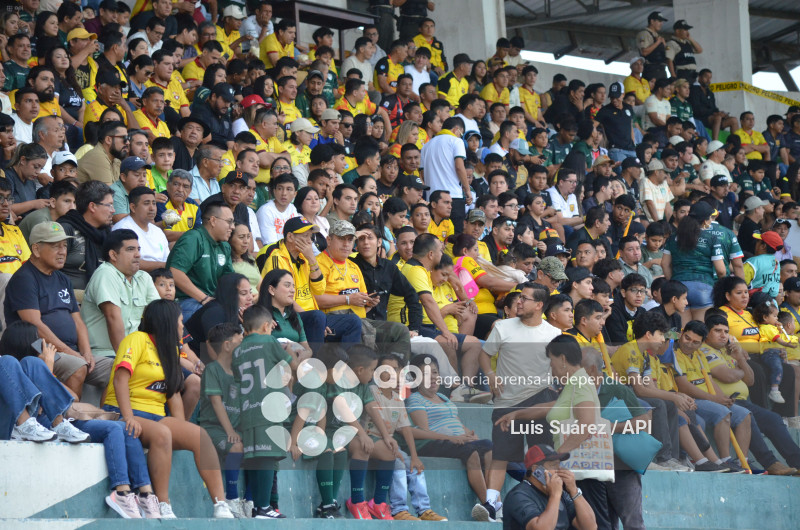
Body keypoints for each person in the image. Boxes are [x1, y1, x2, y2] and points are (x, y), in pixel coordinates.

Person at [102, 299, 234, 519]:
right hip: (125, 411)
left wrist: (181, 427)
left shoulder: (170, 348)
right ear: (167, 321)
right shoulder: (136, 339)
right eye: (180, 321)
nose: (183, 327)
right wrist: (127, 417)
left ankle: (221, 504)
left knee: (200, 435)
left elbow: (172, 392)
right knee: (162, 434)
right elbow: (120, 380)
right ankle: (163, 504)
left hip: (155, 415)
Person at [479, 282, 562, 521]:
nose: (519, 302)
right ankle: (492, 504)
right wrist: (491, 375)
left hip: (540, 400)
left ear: (538, 305)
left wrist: (558, 387)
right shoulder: (502, 326)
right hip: (506, 401)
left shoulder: (553, 334)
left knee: (543, 455)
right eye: (519, 298)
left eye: (524, 298)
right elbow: (485, 355)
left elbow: (560, 366)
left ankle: (546, 503)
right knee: (501, 454)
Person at [5, 221, 113, 398]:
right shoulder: (24, 278)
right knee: (76, 367)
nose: (63, 251)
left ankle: (100, 417)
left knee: (119, 368)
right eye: (55, 246)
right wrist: (71, 353)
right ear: (36, 250)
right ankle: (70, 420)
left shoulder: (62, 278)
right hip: (37, 350)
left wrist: (86, 352)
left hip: (70, 350)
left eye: (64, 246)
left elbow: (78, 321)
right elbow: (34, 325)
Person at [405, 353, 495, 522]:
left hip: (457, 440)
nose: (432, 377)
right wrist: (452, 438)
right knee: (472, 452)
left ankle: (494, 504)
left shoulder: (444, 398)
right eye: (425, 374)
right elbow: (425, 431)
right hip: (436, 443)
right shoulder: (416, 399)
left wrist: (469, 433)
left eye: (435, 372)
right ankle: (487, 506)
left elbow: (456, 422)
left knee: (489, 448)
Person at [80, 228, 160, 361]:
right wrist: (125, 359)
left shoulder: (143, 277)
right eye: (130, 249)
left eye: (138, 249)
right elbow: (113, 317)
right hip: (106, 354)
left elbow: (159, 316)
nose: (138, 255)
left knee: (187, 378)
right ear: (113, 255)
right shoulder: (106, 274)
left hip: (137, 352)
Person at [166, 201, 235, 321]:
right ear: (213, 221)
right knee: (217, 319)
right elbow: (175, 272)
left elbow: (228, 280)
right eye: (229, 222)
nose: (233, 227)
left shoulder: (225, 246)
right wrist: (204, 299)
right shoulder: (193, 238)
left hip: (211, 302)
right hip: (187, 302)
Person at [662, 201, 726, 322]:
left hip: (679, 288)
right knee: (700, 333)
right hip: (703, 288)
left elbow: (664, 264)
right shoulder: (712, 238)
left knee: (682, 334)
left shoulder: (672, 238)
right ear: (705, 220)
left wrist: (674, 282)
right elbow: (721, 270)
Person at [420, 116, 470, 231]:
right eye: (461, 134)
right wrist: (467, 190)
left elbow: (422, 173)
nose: (460, 137)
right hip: (453, 198)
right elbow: (459, 167)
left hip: (431, 199)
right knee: (455, 239)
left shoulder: (426, 146)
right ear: (456, 129)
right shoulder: (456, 141)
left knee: (433, 235)